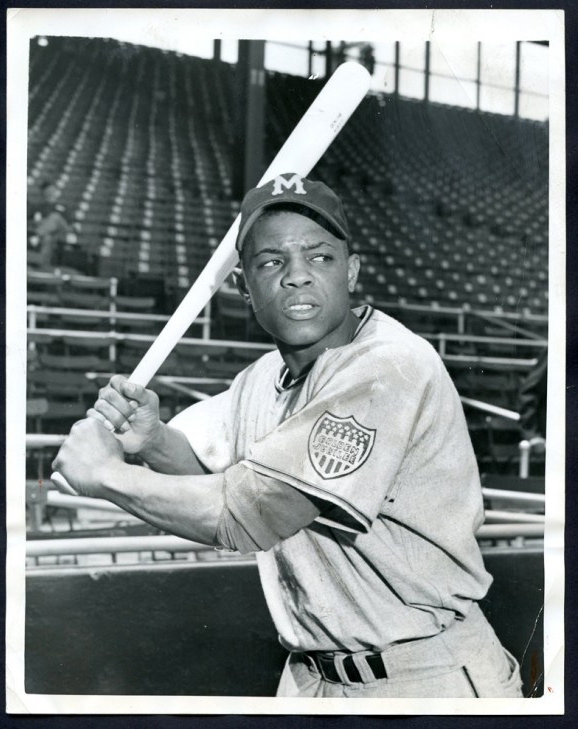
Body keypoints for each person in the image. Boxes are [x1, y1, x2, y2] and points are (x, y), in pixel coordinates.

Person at [53, 173, 523, 698]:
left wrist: (104, 475)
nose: (297, 276)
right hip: (308, 676)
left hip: (423, 675)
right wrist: (155, 440)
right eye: (272, 262)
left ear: (352, 272)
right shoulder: (259, 379)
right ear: (243, 285)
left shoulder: (389, 366)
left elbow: (247, 514)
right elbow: (214, 472)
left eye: (320, 257)